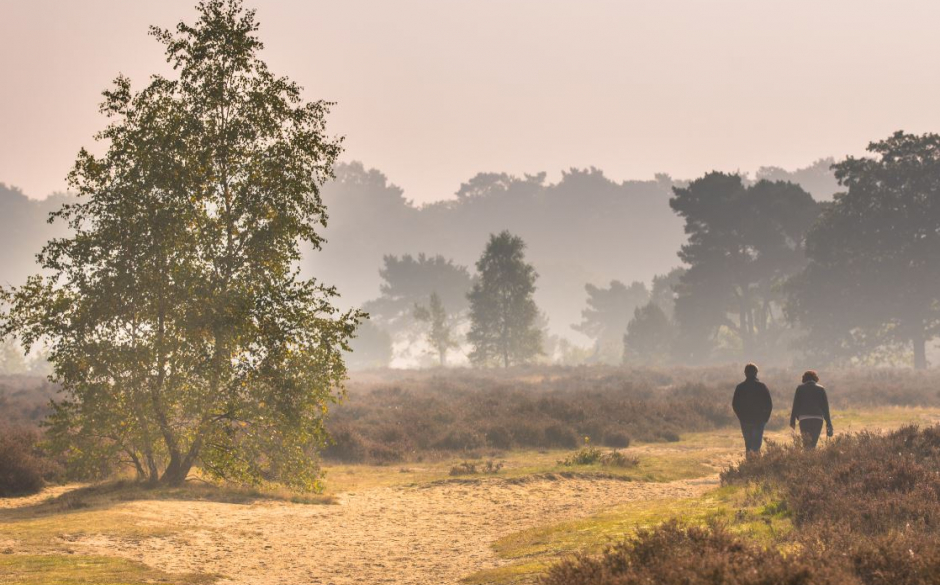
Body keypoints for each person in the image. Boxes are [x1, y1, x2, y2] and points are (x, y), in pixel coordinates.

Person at [732, 363, 773, 455]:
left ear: (745, 373)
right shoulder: (762, 386)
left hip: (745, 420)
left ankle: (749, 465)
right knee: (756, 445)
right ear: (756, 373)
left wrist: (741, 417)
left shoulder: (740, 387)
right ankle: (755, 466)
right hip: (759, 420)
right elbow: (769, 404)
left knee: (748, 444)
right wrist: (765, 418)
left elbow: (735, 404)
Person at [789, 370, 833, 449]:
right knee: (813, 443)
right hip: (818, 418)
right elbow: (825, 408)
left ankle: (807, 459)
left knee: (806, 444)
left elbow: (795, 406)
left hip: (804, 419)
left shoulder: (800, 388)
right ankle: (812, 459)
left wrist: (792, 421)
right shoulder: (821, 389)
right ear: (815, 378)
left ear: (804, 379)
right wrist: (829, 423)